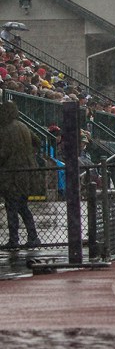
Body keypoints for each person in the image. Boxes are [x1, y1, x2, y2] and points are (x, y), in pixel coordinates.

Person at [0, 101, 41, 248]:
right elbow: (38, 141)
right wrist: (29, 153)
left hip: (12, 175)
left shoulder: (5, 130)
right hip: (28, 172)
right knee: (22, 206)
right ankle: (33, 236)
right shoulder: (22, 126)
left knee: (11, 206)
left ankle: (14, 239)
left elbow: (3, 153)